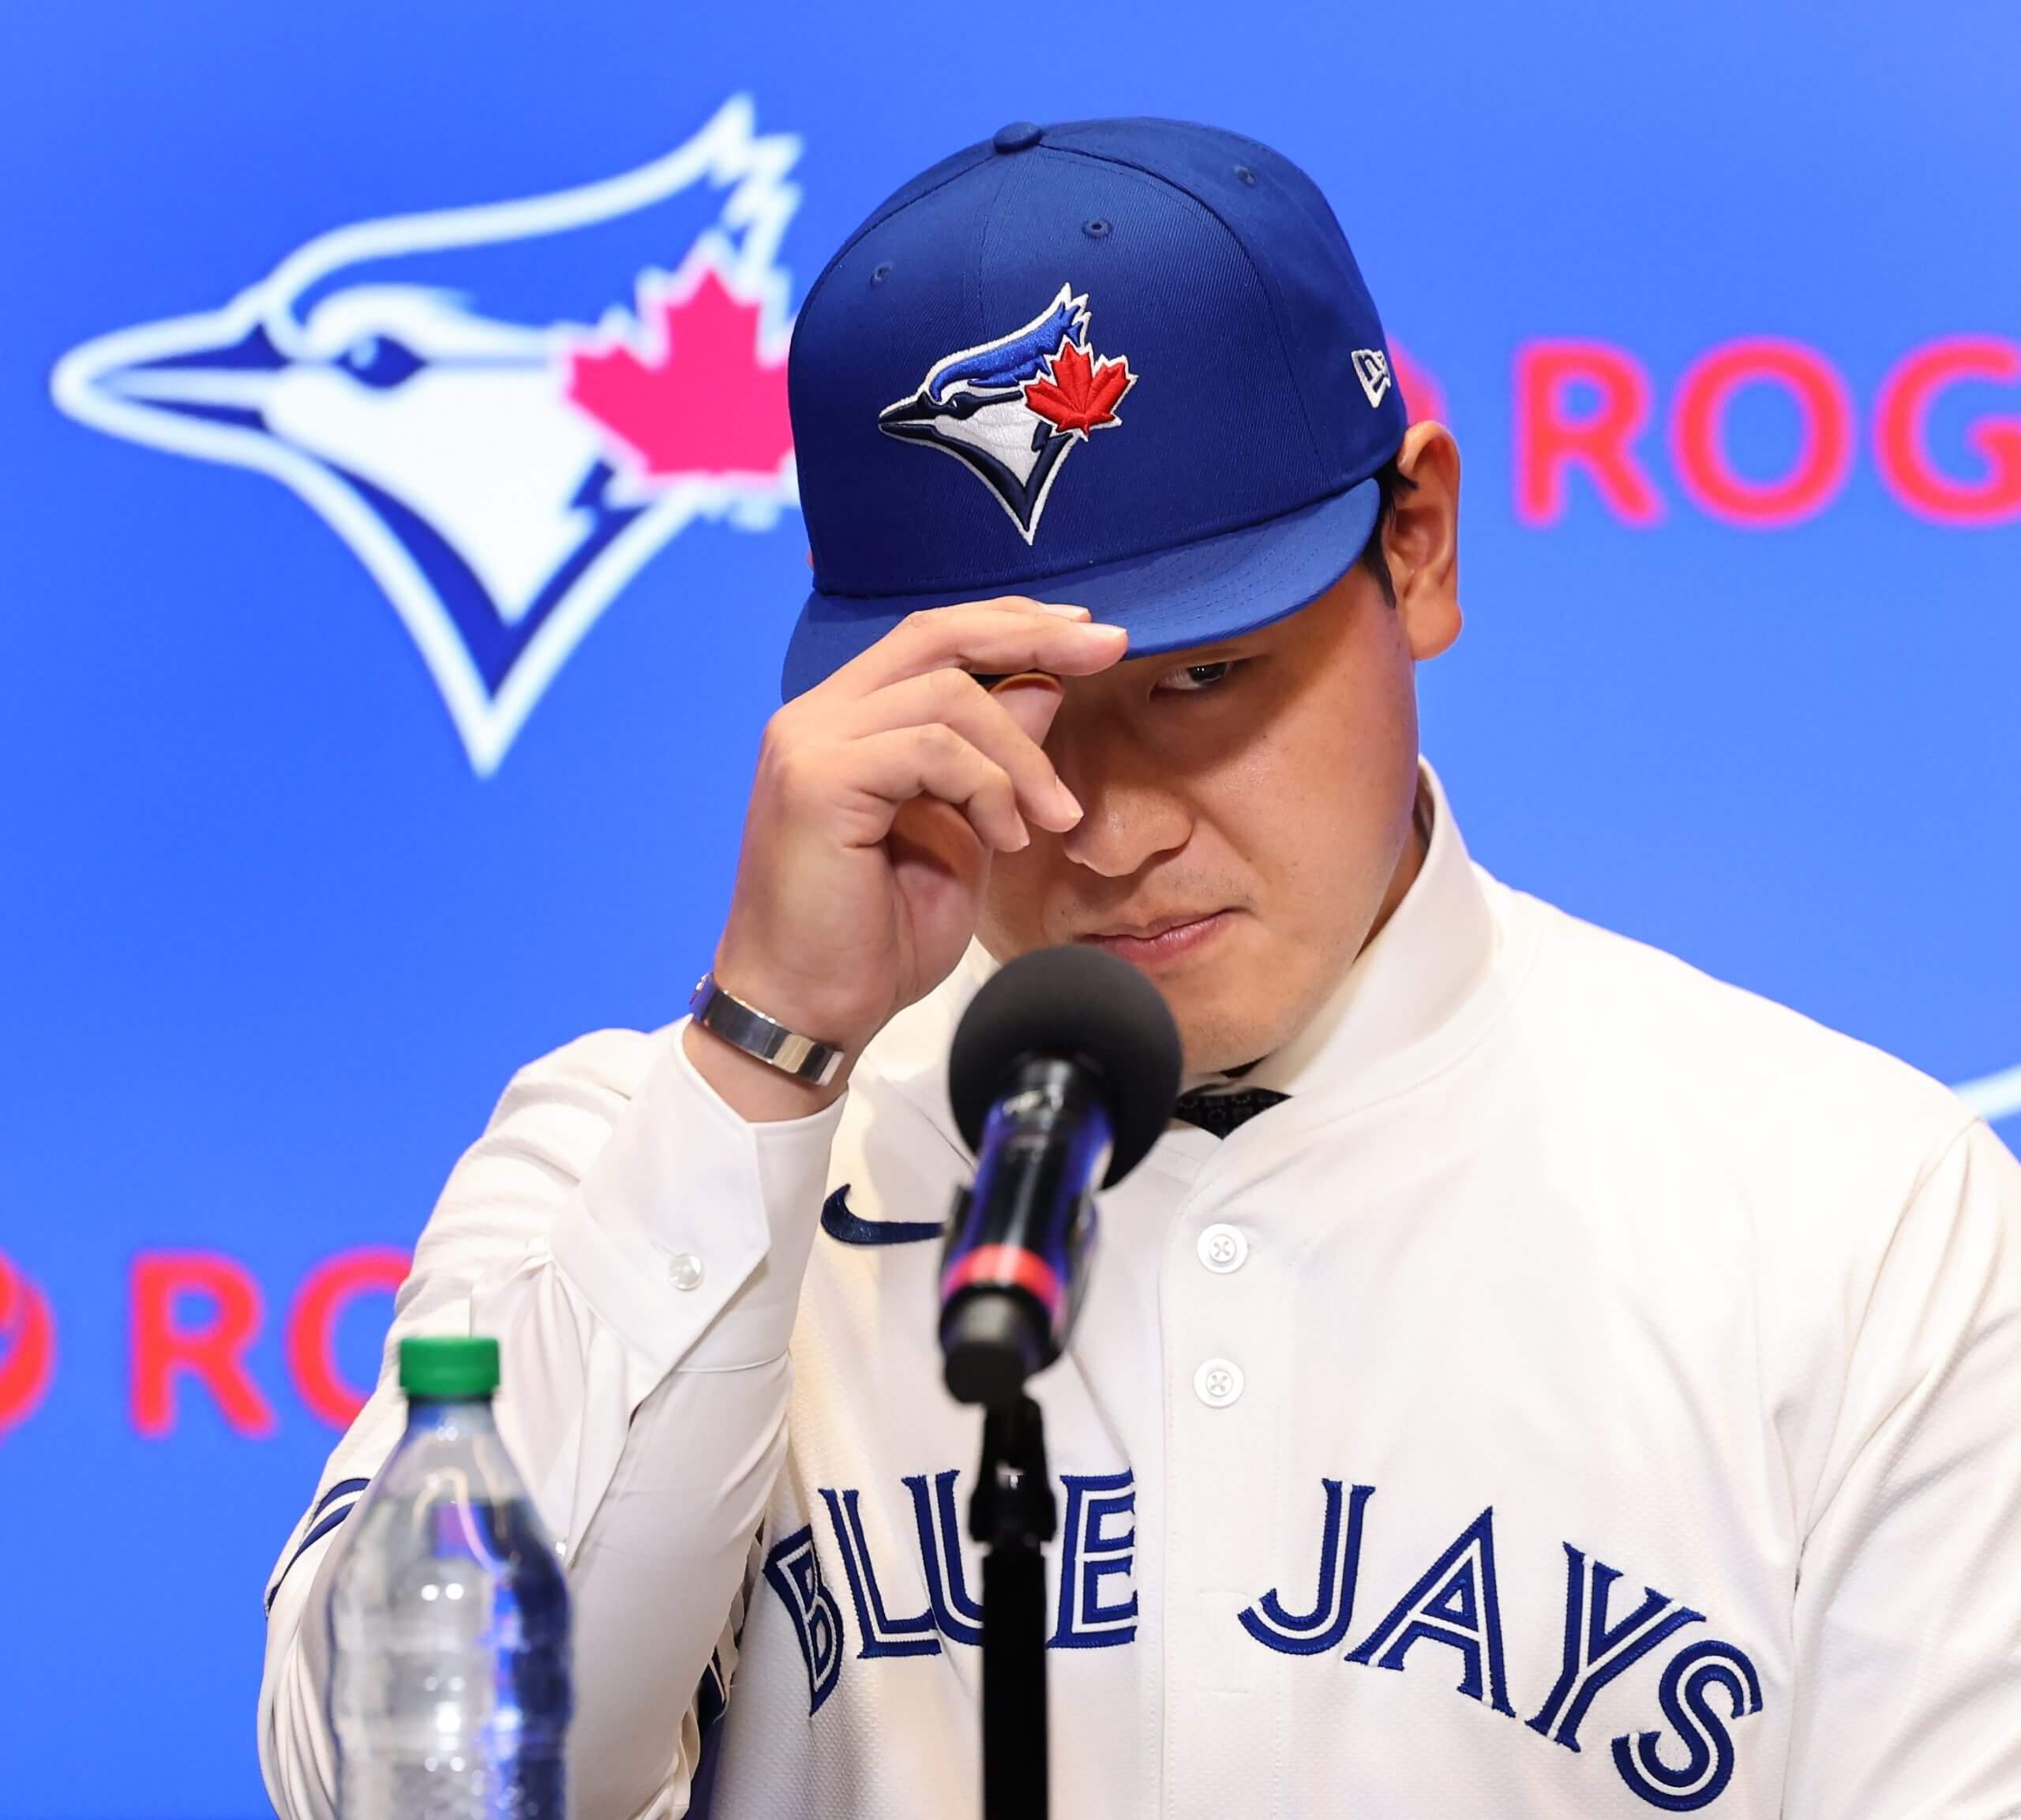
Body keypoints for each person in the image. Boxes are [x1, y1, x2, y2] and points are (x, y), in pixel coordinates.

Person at [259, 118, 2021, 1819]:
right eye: (995, 713)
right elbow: (416, 1793)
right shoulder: (636, 1148)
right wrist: (763, 1060)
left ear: (1413, 544)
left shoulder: (1856, 1214)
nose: (1098, 830)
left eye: (1201, 682)